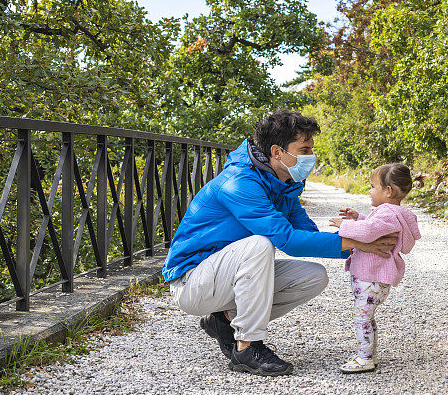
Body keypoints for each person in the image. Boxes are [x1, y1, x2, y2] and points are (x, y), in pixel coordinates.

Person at [162, 109, 397, 377]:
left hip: (221, 278)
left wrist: (362, 242)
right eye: (304, 149)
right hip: (192, 282)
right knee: (260, 244)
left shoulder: (283, 185)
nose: (310, 156)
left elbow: (305, 233)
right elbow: (287, 240)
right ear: (277, 152)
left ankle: (224, 321)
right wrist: (356, 243)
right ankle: (247, 348)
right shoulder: (239, 183)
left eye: (311, 149)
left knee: (314, 276)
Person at [329, 163, 422, 373]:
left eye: (373, 187)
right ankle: (369, 354)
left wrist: (343, 225)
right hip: (373, 280)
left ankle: (365, 358)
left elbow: (369, 231)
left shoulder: (388, 213)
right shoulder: (391, 213)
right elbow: (373, 226)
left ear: (388, 191)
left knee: (362, 317)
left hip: (371, 278)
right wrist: (358, 217)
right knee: (366, 317)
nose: (369, 191)